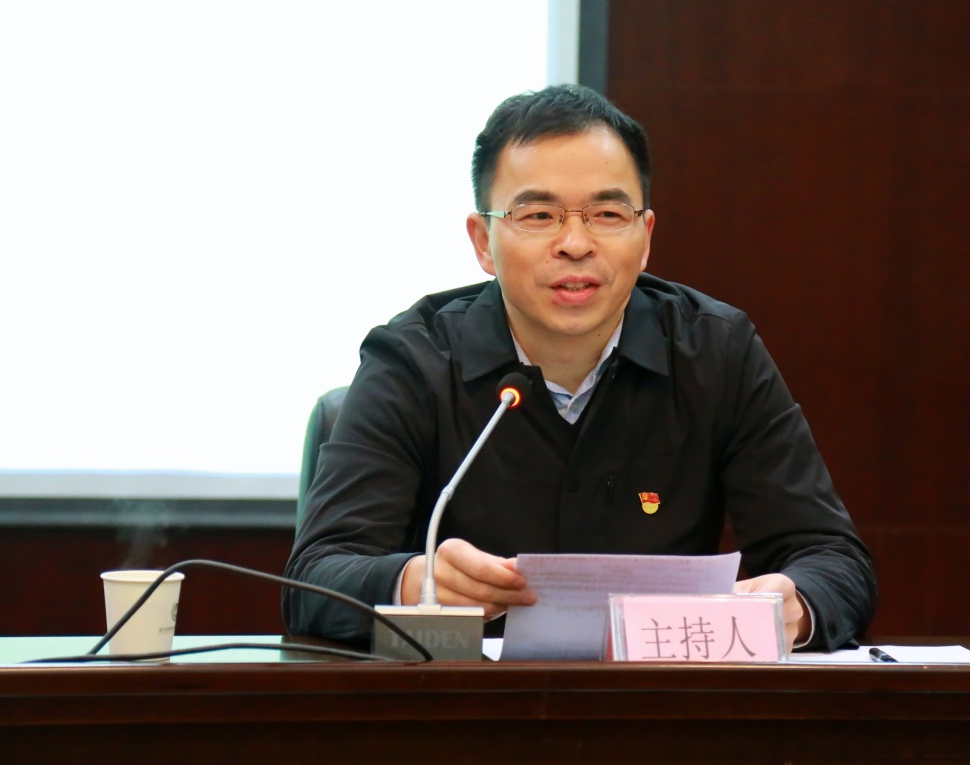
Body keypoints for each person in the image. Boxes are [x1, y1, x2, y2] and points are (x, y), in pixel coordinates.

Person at [283, 84, 876, 651]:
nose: (575, 243)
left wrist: (794, 604)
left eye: (607, 214)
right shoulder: (413, 360)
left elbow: (835, 563)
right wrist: (416, 583)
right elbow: (314, 580)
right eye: (539, 215)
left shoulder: (716, 353)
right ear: (483, 241)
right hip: (466, 708)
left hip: (658, 705)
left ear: (645, 236)